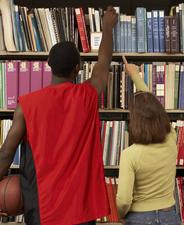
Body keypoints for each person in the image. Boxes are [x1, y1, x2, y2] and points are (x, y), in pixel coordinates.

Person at [0, 6, 117, 225]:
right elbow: (103, 64)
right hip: (80, 211)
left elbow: (6, 152)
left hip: (42, 211)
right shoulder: (87, 95)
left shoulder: (27, 105)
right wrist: (108, 28)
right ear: (77, 69)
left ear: (49, 66)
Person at [116, 56, 180, 225]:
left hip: (138, 218)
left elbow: (123, 200)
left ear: (135, 121)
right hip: (169, 216)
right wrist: (136, 77)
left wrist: (121, 215)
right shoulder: (170, 140)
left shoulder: (130, 155)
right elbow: (155, 107)